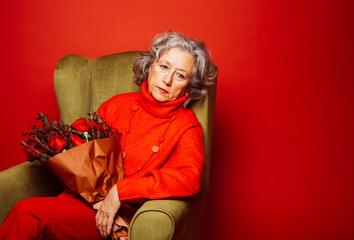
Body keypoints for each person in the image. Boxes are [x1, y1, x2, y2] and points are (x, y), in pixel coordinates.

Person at [0, 30, 217, 239]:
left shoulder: (187, 125)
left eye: (180, 75)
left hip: (121, 218)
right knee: (27, 214)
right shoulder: (117, 105)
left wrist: (120, 192)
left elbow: (189, 178)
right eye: (164, 66)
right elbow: (80, 150)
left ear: (189, 85)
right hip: (81, 203)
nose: (168, 79)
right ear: (150, 67)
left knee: (27, 214)